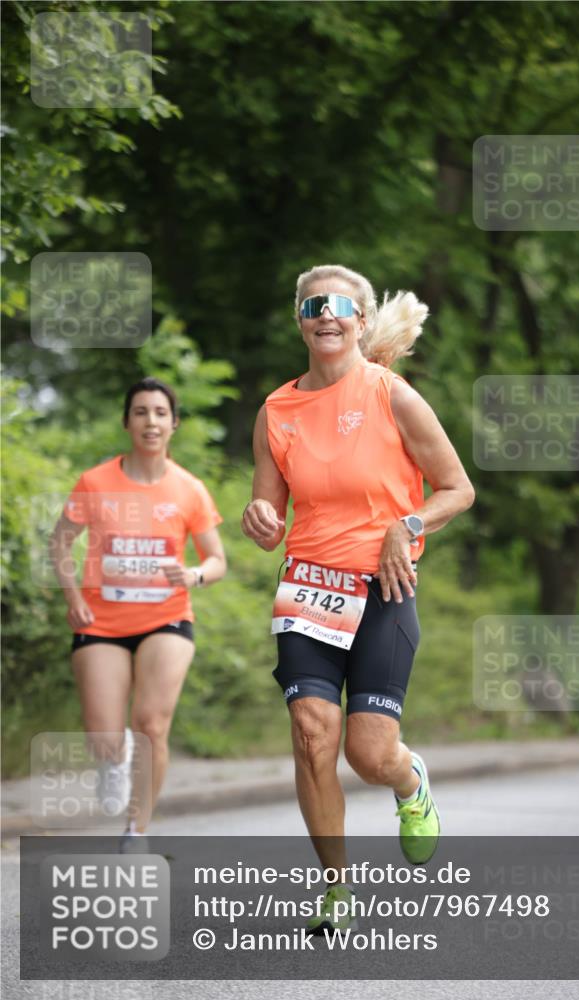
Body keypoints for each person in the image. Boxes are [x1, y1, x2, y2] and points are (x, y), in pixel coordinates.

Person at [242, 265, 475, 931]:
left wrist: (406, 527)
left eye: (342, 306)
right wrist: (257, 517)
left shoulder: (392, 396)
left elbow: (456, 488)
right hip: (308, 591)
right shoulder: (275, 412)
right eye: (314, 304)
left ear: (361, 322)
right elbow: (267, 512)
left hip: (382, 591)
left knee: (367, 754)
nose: (327, 314)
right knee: (313, 734)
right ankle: (336, 890)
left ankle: (409, 782)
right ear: (300, 319)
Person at [50, 377, 226, 848]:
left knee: (151, 722)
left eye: (160, 412)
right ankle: (113, 758)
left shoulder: (189, 489)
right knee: (105, 736)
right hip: (101, 622)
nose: (151, 421)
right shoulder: (96, 481)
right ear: (128, 422)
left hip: (167, 618)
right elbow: (60, 543)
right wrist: (73, 598)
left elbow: (217, 561)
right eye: (141, 412)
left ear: (174, 424)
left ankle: (137, 830)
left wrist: (194, 575)